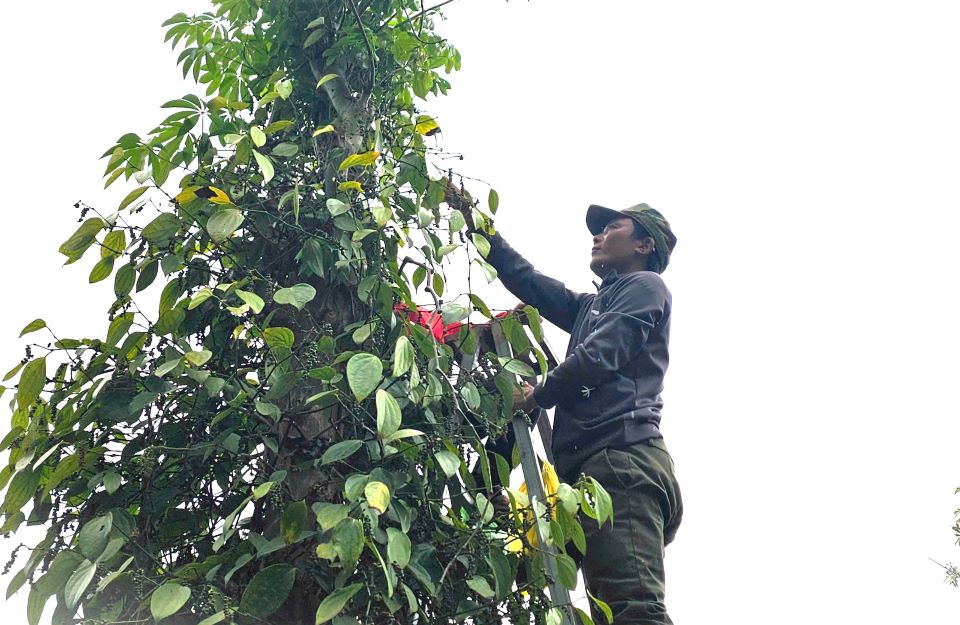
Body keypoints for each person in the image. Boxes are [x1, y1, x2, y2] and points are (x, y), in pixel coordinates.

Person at [451, 186, 683, 625]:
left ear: (643, 245)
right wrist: (476, 222)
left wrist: (537, 395)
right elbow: (529, 279)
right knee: (576, 599)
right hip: (591, 473)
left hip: (622, 462)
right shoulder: (592, 306)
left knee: (633, 610)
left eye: (611, 226)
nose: (597, 235)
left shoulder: (645, 286)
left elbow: (600, 355)